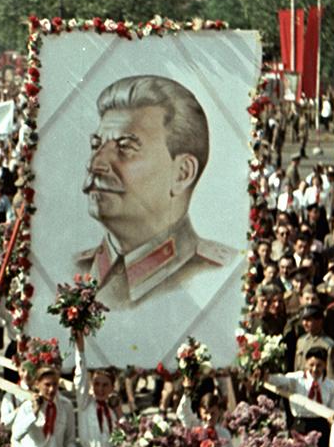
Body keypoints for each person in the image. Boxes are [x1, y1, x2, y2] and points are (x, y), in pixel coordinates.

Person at [74, 75, 233, 310]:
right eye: (97, 145)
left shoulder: (216, 274)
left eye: (125, 147)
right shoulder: (77, 269)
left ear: (182, 173)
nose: (95, 163)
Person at [72, 334, 121, 447]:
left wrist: (119, 412)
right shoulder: (85, 403)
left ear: (112, 387)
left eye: (105, 385)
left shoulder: (113, 406)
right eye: (97, 384)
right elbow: (80, 379)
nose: (100, 389)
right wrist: (80, 350)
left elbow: (125, 433)